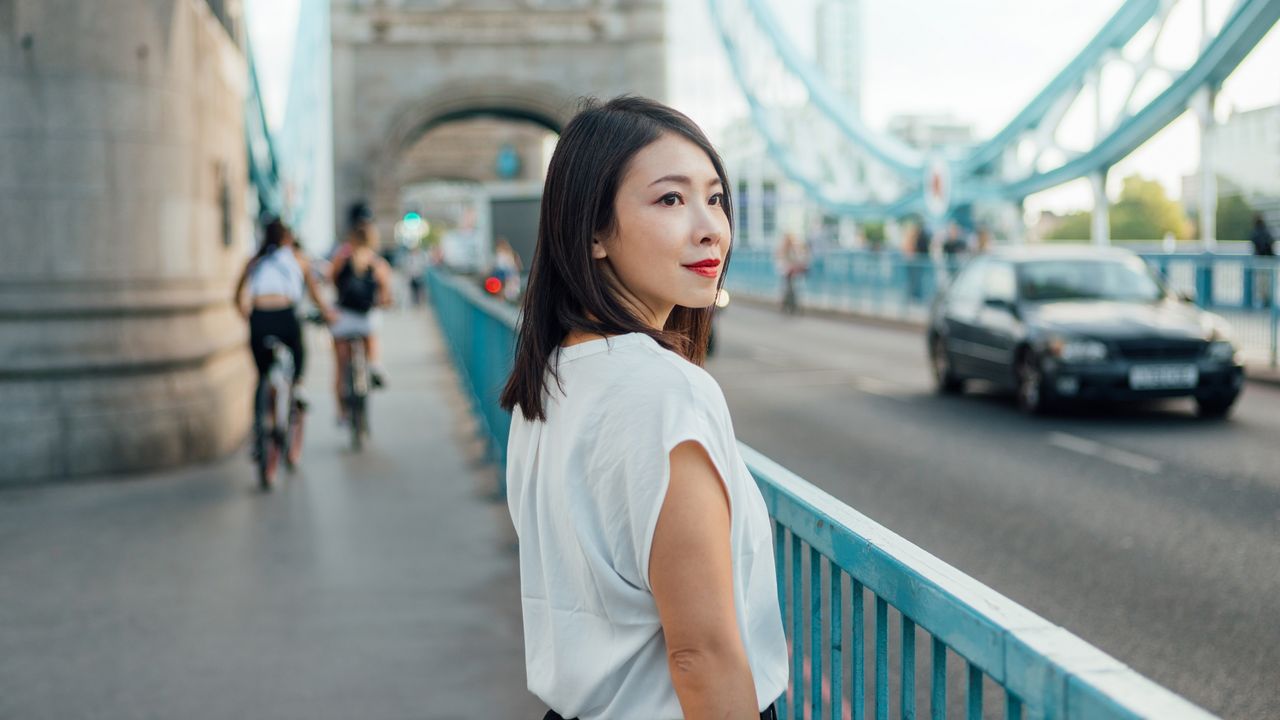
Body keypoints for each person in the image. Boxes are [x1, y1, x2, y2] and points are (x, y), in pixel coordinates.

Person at [499, 96, 787, 720]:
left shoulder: (546, 379)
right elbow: (701, 656)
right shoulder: (666, 392)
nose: (710, 226)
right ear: (594, 233)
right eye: (670, 199)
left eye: (715, 198)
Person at [232, 217, 335, 428]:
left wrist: (246, 314)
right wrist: (328, 312)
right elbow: (315, 295)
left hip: (259, 316)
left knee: (261, 374)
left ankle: (260, 426)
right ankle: (297, 386)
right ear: (287, 238)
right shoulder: (298, 259)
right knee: (298, 349)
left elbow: (237, 295)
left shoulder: (254, 260)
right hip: (284, 314)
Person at [329, 218, 393, 407]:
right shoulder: (377, 262)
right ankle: (374, 365)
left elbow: (332, 279)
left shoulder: (341, 258)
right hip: (365, 318)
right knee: (371, 334)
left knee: (340, 367)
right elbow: (385, 293)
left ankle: (341, 411)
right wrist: (383, 302)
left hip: (343, 317)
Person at [774, 231, 808, 314]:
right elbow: (781, 261)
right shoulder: (783, 249)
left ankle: (788, 305)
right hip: (786, 271)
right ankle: (789, 305)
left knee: (790, 288)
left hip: (791, 271)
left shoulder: (793, 249)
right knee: (789, 288)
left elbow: (799, 258)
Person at [1250, 214, 1275, 308]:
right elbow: (1271, 243)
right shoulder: (1268, 231)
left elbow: (1253, 242)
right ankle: (1268, 302)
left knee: (1260, 283)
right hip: (1268, 260)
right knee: (1268, 282)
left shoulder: (1255, 232)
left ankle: (1262, 302)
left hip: (1260, 260)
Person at [492, 235, 523, 302]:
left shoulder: (510, 256)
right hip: (504, 281)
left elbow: (517, 268)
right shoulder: (500, 256)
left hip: (510, 282)